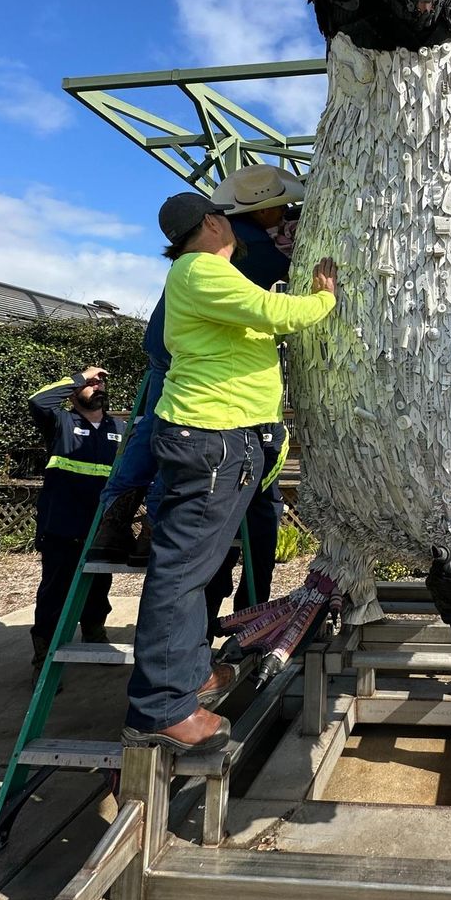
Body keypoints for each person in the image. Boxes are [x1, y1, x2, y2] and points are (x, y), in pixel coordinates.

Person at [122, 190, 336, 754]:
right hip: (213, 436)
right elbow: (276, 315)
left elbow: (255, 327)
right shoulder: (202, 270)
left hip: (220, 437)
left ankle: (190, 676)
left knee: (194, 569)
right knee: (182, 574)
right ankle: (160, 709)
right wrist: (324, 298)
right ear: (214, 223)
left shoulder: (203, 276)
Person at [89, 166, 305, 625]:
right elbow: (277, 303)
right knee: (181, 440)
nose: (287, 211)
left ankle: (116, 521)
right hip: (198, 367)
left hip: (166, 348)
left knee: (150, 430)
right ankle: (156, 527)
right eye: (281, 206)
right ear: (259, 210)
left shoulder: (209, 246)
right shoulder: (245, 244)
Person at [28, 367, 126, 680]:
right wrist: (81, 376)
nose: (98, 387)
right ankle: (44, 657)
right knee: (55, 591)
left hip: (103, 527)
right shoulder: (61, 422)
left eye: (101, 383)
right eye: (90, 384)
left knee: (99, 586)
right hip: (62, 524)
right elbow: (39, 401)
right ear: (73, 393)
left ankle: (94, 634)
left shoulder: (120, 428)